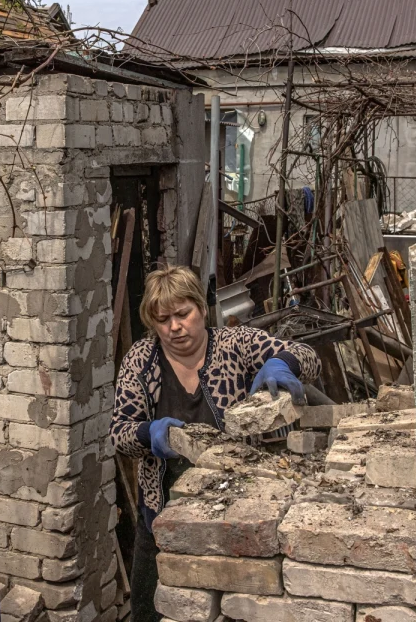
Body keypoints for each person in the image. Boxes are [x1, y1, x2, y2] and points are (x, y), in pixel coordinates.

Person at [110, 265, 321, 622]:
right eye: (163, 319)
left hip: (236, 511)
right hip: (161, 512)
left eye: (183, 314)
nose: (175, 327)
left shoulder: (236, 344)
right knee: (150, 612)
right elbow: (119, 432)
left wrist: (281, 364)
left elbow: (307, 355)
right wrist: (150, 434)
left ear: (202, 309)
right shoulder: (141, 360)